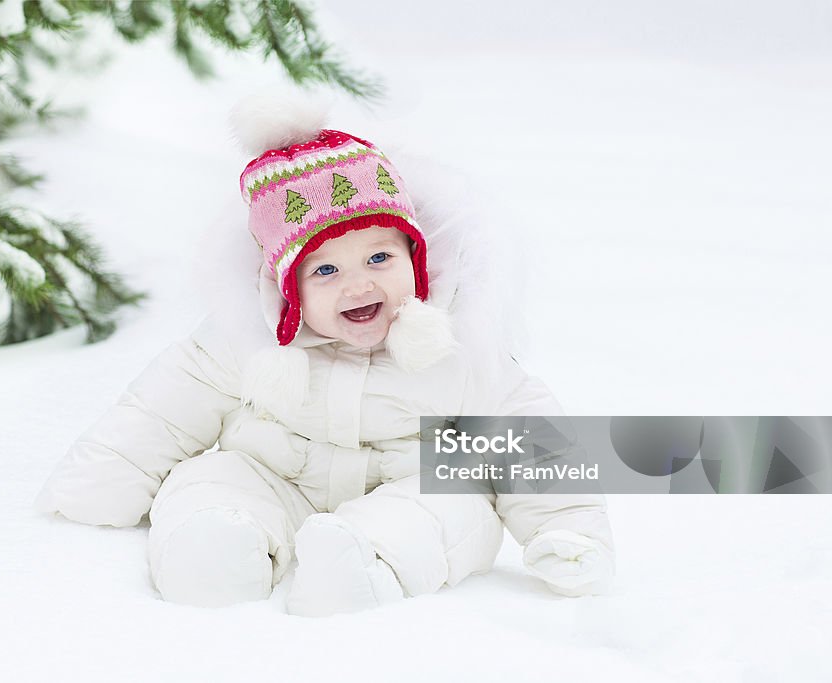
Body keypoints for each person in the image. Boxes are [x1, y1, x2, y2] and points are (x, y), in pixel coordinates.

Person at [35, 101, 615, 615]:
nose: (358, 285)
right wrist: (100, 484)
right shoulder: (246, 337)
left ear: (415, 257)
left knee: (452, 506)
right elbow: (163, 407)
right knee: (213, 479)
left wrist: (567, 531)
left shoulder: (458, 343)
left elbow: (531, 434)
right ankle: (211, 550)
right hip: (276, 475)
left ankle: (363, 564)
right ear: (287, 285)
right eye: (327, 270)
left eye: (380, 258)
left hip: (409, 486)